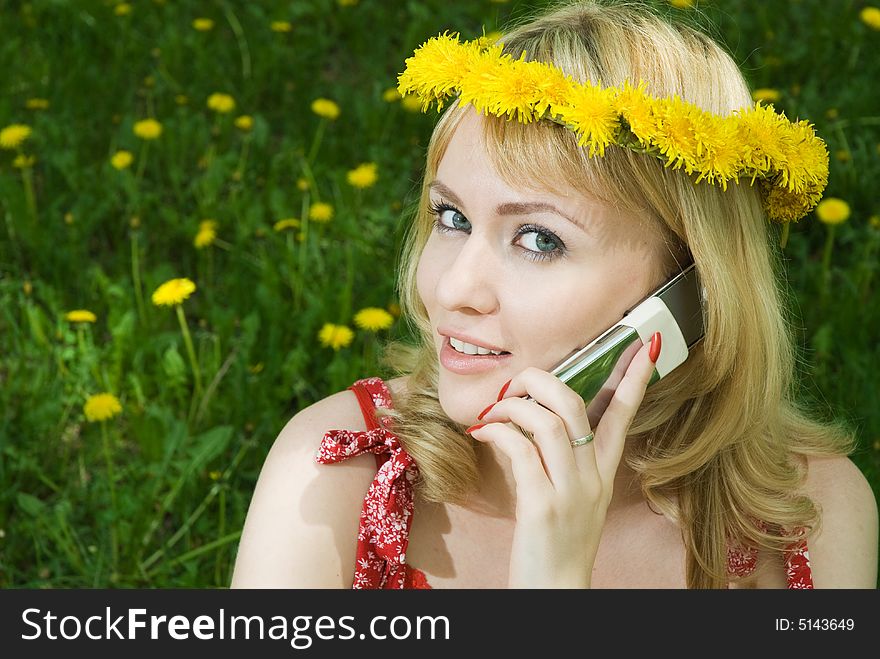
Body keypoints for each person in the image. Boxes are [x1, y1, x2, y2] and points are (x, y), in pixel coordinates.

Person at [231, 0, 878, 589]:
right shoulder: (331, 475)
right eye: (452, 218)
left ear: (690, 293)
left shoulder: (809, 514)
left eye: (539, 239)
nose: (453, 289)